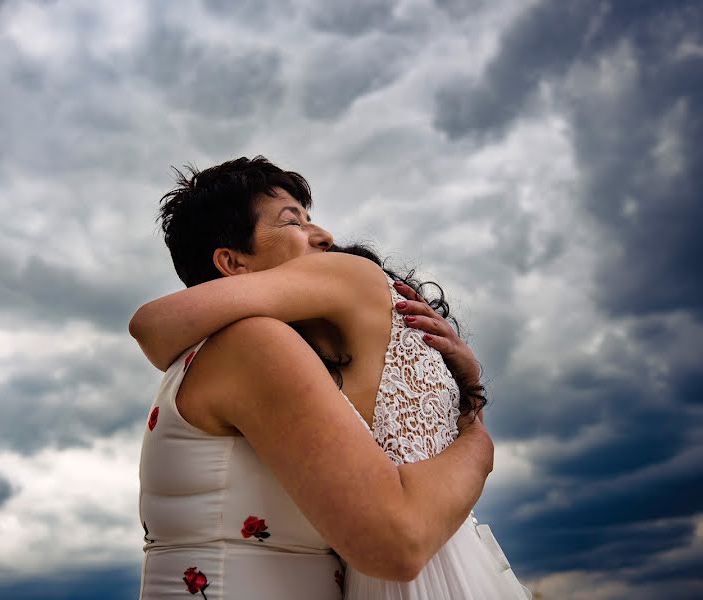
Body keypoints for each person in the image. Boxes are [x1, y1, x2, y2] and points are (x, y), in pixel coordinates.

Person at [131, 156, 528, 599]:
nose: (325, 236)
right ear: (232, 263)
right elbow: (149, 324)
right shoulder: (254, 342)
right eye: (292, 221)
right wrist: (477, 439)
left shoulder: (244, 357)